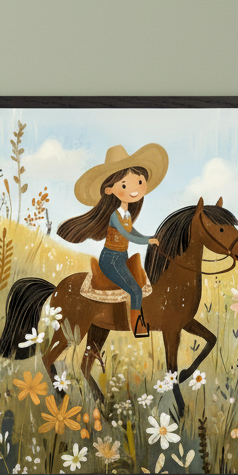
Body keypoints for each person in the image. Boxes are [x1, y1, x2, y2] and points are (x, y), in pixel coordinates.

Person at [57, 143, 168, 337]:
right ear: (109, 190)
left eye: (139, 181)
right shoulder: (116, 216)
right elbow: (129, 236)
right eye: (124, 185)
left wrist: (150, 238)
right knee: (135, 290)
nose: (134, 189)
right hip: (111, 259)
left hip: (121, 257)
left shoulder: (126, 215)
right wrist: (147, 242)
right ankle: (137, 326)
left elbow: (134, 231)